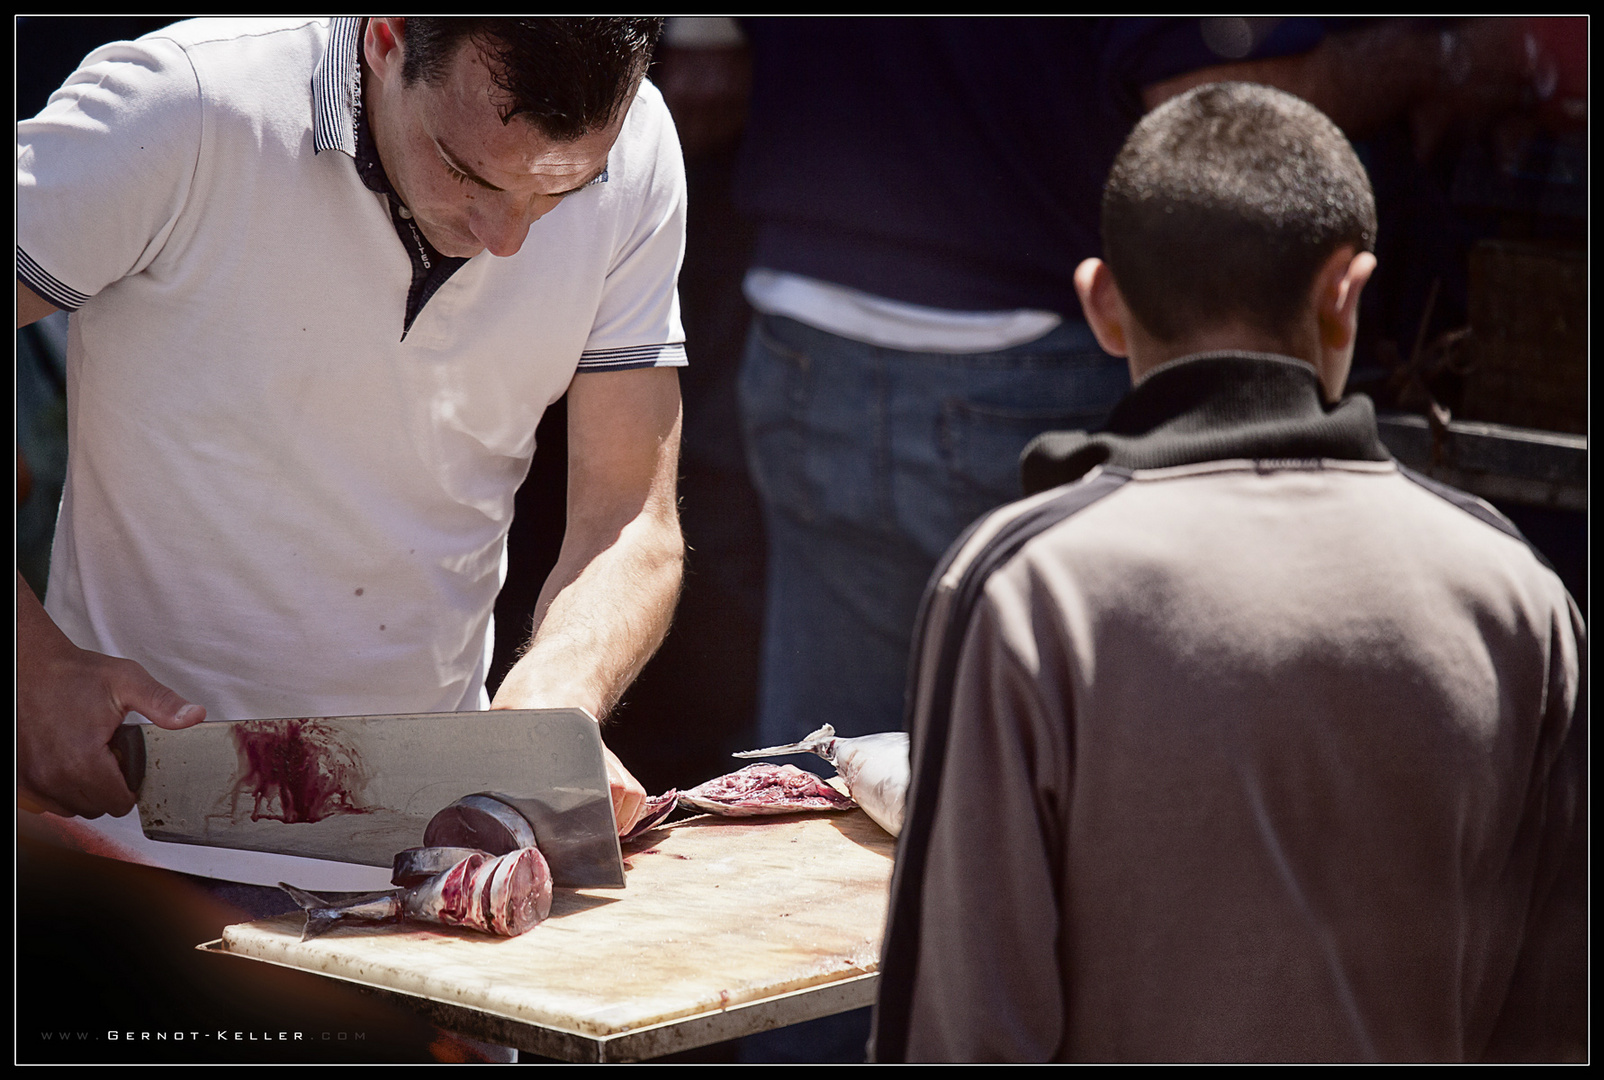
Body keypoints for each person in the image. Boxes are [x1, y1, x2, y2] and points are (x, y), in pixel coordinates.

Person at [873, 82, 1585, 1062]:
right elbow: (1551, 1025)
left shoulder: (1029, 589)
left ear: (1102, 305)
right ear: (1347, 293)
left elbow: (954, 1035)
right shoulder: (1514, 593)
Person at [16, 17, 687, 892]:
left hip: (448, 868)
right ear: (387, 36)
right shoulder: (183, 107)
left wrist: (553, 703)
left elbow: (632, 518)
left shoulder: (638, 149)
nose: (508, 236)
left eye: (564, 192)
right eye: (466, 170)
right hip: (129, 861)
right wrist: (30, 661)